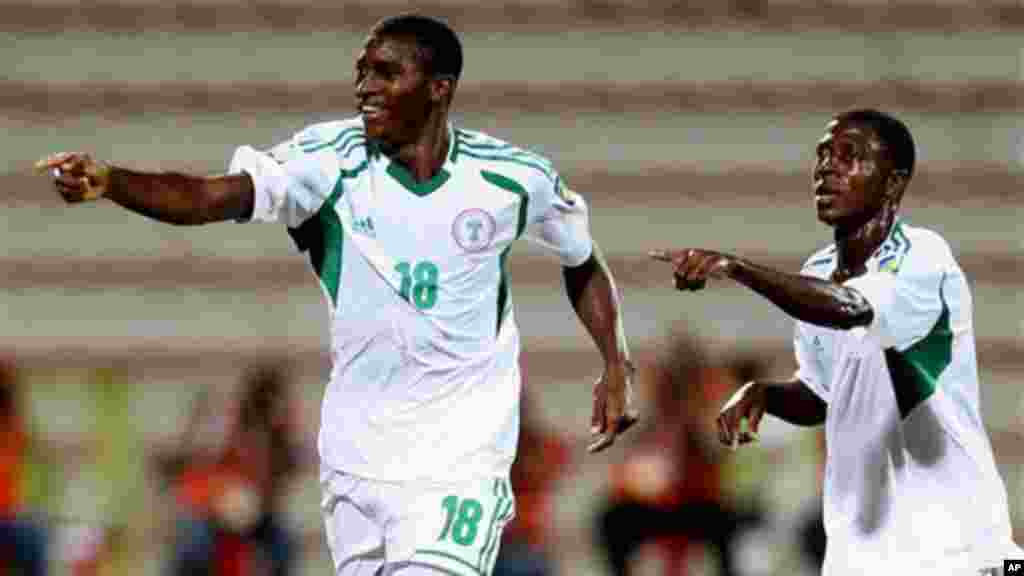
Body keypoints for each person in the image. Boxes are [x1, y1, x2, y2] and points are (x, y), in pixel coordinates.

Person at [36, 13, 637, 576]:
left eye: (386, 72)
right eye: (361, 71)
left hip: (461, 459)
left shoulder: (512, 178)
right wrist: (112, 182)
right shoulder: (326, 162)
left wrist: (615, 361)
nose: (364, 87)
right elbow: (205, 198)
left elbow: (580, 259)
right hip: (357, 459)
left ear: (438, 88)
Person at [650, 109, 1021, 575]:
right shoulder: (817, 272)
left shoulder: (923, 259)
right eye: (823, 155)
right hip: (861, 553)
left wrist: (734, 267)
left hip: (958, 548)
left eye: (851, 156)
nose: (827, 167)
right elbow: (823, 395)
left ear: (893, 183)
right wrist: (763, 394)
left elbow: (850, 307)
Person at [595, 335, 765, 576]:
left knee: (727, 523)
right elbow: (627, 472)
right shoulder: (648, 425)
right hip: (653, 506)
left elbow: (719, 469)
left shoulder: (708, 418)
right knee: (612, 519)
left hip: (696, 505)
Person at [160, 365, 304, 576]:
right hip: (214, 519)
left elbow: (273, 488)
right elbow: (196, 477)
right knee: (194, 540)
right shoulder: (233, 433)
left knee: (282, 544)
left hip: (255, 522)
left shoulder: (277, 444)